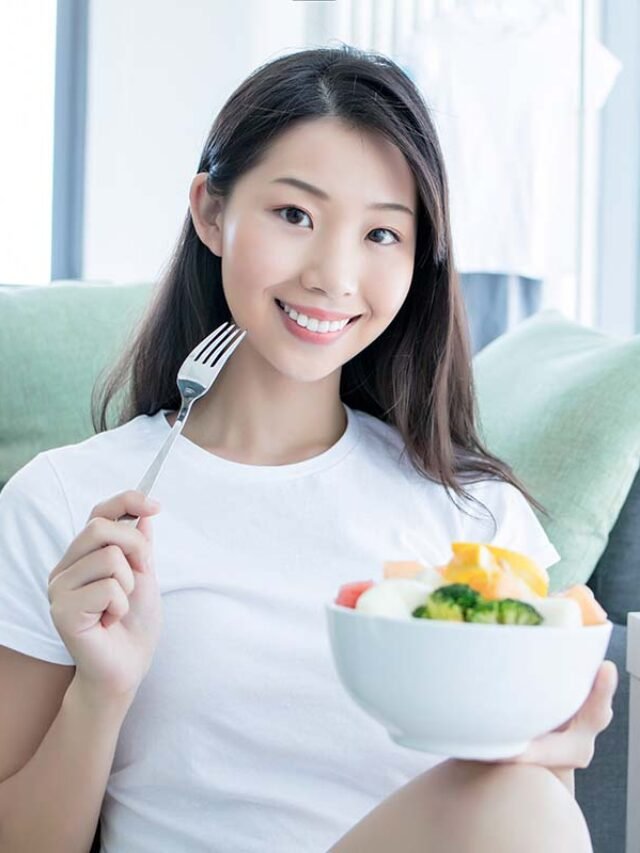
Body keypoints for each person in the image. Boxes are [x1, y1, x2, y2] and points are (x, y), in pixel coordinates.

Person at [0, 45, 617, 853]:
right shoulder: (68, 503)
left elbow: (532, 810)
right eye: (295, 215)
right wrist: (101, 690)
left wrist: (544, 747)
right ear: (211, 212)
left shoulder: (476, 517)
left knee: (523, 807)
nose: (334, 274)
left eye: (382, 234)